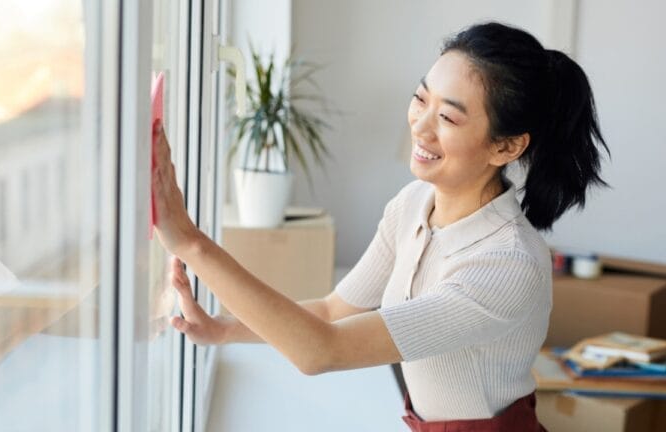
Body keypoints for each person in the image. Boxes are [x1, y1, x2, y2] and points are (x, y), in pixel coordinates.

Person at [151, 22, 608, 431]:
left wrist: (190, 242)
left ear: (506, 147)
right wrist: (224, 329)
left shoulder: (507, 263)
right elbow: (333, 312)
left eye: (448, 117)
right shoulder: (412, 204)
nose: (421, 127)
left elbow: (321, 350)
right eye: (420, 99)